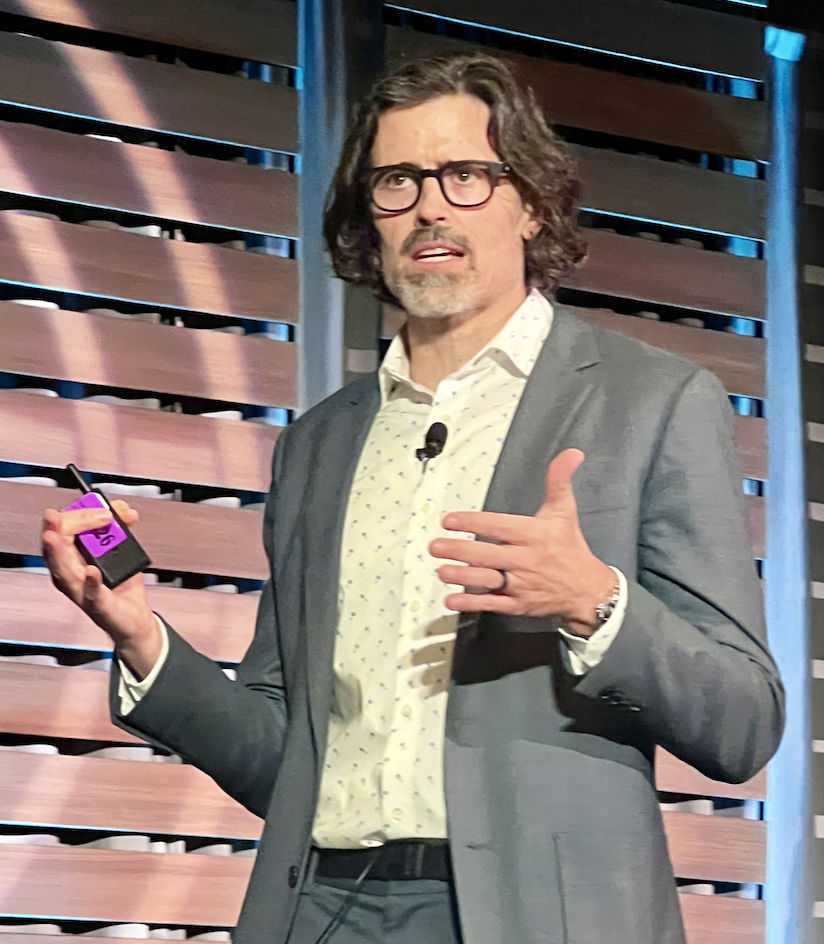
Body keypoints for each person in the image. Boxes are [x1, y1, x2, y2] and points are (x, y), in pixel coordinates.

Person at [42, 51, 784, 944]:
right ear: (370, 219)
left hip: (533, 917)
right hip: (321, 907)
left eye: (466, 175)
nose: (431, 206)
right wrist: (141, 637)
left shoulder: (650, 401)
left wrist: (593, 602)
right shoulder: (319, 444)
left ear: (530, 201)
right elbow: (281, 758)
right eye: (397, 181)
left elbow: (744, 722)